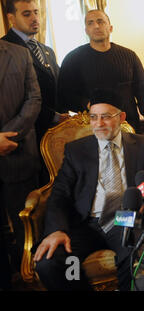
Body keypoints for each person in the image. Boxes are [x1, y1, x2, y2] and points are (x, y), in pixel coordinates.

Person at [33, 90, 144, 291]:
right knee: (50, 262)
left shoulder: (141, 144)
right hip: (86, 223)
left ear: (121, 117)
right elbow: (60, 193)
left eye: (106, 117)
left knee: (136, 258)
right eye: (93, 117)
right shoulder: (76, 149)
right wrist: (56, 230)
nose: (98, 124)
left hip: (126, 220)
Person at [56, 9, 144, 138]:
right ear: (86, 30)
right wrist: (88, 104)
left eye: (100, 21)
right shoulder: (73, 59)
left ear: (110, 28)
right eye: (90, 23)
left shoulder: (129, 56)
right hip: (91, 130)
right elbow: (64, 96)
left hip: (130, 128)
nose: (96, 26)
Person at [2, 0, 67, 186]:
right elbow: (24, 98)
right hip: (25, 138)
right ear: (11, 18)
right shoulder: (6, 48)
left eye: (36, 12)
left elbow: (57, 87)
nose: (35, 18)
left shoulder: (46, 50)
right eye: (27, 14)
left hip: (54, 134)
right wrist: (53, 116)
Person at [0, 40, 42, 290]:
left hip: (18, 153)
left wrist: (7, 137)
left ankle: (27, 277)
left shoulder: (20, 54)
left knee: (25, 225)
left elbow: (34, 99)